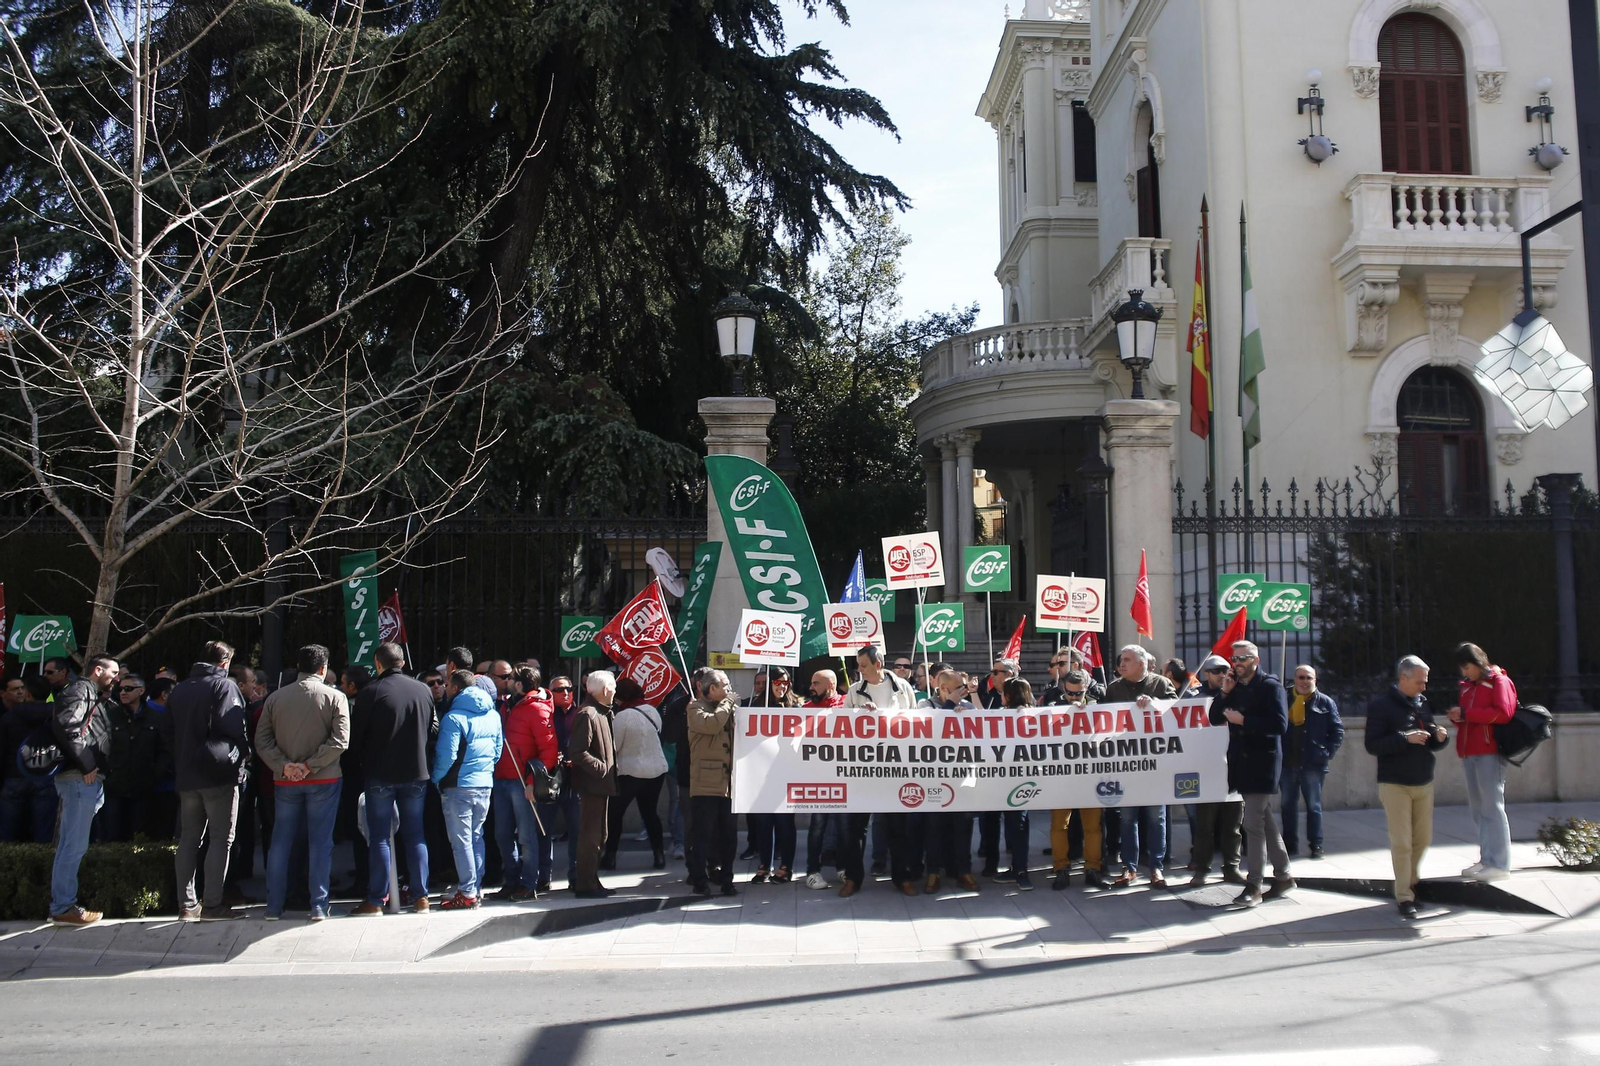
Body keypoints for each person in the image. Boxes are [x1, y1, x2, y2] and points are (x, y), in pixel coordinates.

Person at [257, 644, 350, 921]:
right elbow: (340, 740)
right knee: (320, 843)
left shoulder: (275, 698)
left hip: (285, 780)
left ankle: (273, 906)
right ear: (323, 668)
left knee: (280, 842)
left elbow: (262, 740)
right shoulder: (335, 697)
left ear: (299, 667)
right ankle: (319, 905)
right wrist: (311, 765)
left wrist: (284, 765)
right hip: (325, 778)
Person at [349, 642, 438, 916]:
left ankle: (376, 899)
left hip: (380, 773)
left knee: (379, 837)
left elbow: (357, 736)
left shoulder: (371, 692)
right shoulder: (422, 689)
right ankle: (421, 897)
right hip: (416, 772)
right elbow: (434, 727)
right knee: (415, 835)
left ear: (378, 664)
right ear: (401, 662)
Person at [163, 641, 249, 921]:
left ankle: (186, 905)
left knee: (188, 839)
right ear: (224, 663)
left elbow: (167, 732)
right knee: (220, 839)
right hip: (218, 774)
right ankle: (212, 904)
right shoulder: (224, 686)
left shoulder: (180, 689)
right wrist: (241, 756)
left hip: (187, 775)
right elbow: (234, 727)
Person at [1366, 655, 1450, 919]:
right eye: (1419, 682)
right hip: (1394, 783)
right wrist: (1405, 738)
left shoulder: (1422, 703)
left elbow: (1429, 741)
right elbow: (1373, 745)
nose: (1423, 687)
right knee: (1402, 842)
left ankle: (1410, 883)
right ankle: (1404, 896)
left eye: (1425, 682)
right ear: (1403, 678)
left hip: (1423, 779)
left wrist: (1439, 738)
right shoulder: (1381, 706)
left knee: (1423, 840)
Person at [1214, 640, 1293, 908]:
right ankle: (1283, 876)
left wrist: (1244, 721)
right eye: (1234, 659)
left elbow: (1280, 725)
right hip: (1241, 762)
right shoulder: (1234, 687)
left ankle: (1254, 885)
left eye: (1243, 658)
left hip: (1263, 762)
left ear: (1255, 660)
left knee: (1252, 824)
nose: (1237, 663)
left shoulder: (1270, 686)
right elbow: (1214, 717)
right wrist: (1224, 693)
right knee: (1265, 820)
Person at [49, 654, 119, 926]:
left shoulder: (88, 692)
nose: (116, 677)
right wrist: (87, 764)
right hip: (81, 777)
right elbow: (69, 727)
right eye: (112, 672)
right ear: (97, 670)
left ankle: (62, 905)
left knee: (70, 845)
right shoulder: (81, 690)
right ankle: (64, 906)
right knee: (73, 846)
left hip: (82, 777)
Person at [846, 645, 921, 895]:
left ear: (878, 664)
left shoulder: (903, 687)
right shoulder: (856, 691)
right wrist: (859, 715)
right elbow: (842, 726)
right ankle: (853, 878)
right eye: (858, 665)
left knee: (897, 827)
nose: (860, 670)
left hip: (895, 768)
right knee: (855, 827)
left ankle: (902, 877)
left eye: (864, 665)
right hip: (863, 769)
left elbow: (915, 722)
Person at [1102, 645, 1178, 888]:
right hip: (1126, 765)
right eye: (1121, 660)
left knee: (1156, 818)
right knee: (1127, 818)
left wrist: (1156, 703)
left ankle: (1156, 868)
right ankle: (1129, 868)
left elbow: (1180, 713)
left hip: (1156, 765)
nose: (1121, 664)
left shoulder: (1161, 685)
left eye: (1127, 660)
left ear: (1142, 663)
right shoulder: (1113, 688)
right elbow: (1100, 718)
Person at [430, 667, 504, 909]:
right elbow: (497, 751)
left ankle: (468, 891)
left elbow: (446, 756)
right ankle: (475, 888)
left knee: (461, 841)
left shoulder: (453, 718)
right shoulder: (493, 714)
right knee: (476, 837)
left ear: (454, 688)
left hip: (458, 786)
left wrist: (436, 779)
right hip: (484, 783)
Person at [1444, 642, 1517, 882]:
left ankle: (1499, 863)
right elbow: (1469, 716)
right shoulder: (1467, 687)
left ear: (1477, 662)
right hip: (1470, 750)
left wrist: (1467, 715)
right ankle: (1487, 858)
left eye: (1467, 667)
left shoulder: (1498, 681)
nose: (1464, 673)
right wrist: (1458, 717)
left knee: (1492, 806)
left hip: (1489, 751)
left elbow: (1504, 713)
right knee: (1479, 808)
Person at [488, 664, 557, 901]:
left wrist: (531, 783)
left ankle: (529, 883)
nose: (505, 680)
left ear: (519, 684)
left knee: (527, 837)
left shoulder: (537, 709)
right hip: (502, 779)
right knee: (502, 835)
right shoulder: (507, 705)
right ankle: (512, 881)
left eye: (510, 678)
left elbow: (548, 750)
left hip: (520, 782)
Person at [1041, 670, 1109, 890]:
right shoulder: (1055, 705)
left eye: (1078, 693)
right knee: (1059, 825)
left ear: (1086, 689)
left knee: (1093, 827)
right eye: (1069, 693)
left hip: (1090, 775)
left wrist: (1088, 711)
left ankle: (1093, 868)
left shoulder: (1098, 706)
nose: (1073, 697)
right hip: (1061, 776)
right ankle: (1061, 868)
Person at [918, 669, 981, 894]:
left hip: (962, 777)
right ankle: (933, 872)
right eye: (959, 688)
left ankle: (963, 871)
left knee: (963, 827)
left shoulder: (968, 706)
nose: (964, 691)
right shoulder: (926, 705)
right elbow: (928, 729)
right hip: (934, 778)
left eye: (965, 687)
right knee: (933, 827)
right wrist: (948, 710)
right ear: (943, 689)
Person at [603, 676, 670, 873]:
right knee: (650, 814)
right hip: (656, 771)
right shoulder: (652, 711)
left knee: (615, 815)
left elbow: (615, 747)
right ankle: (659, 856)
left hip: (630, 773)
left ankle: (610, 857)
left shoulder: (622, 717)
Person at [1188, 655, 1245, 887]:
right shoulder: (1194, 699)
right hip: (1206, 769)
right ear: (1206, 674)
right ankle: (1202, 868)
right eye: (1216, 671)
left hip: (1233, 768)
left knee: (1233, 825)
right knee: (1204, 826)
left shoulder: (1239, 696)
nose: (1222, 675)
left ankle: (1231, 867)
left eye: (1225, 671)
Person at [1281, 664, 1343, 860]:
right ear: (1295, 679)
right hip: (1287, 764)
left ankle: (1316, 845)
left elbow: (1337, 731)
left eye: (1309, 678)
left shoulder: (1325, 702)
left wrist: (1326, 753)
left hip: (1313, 764)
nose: (1305, 682)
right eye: (1301, 677)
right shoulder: (1284, 699)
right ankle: (1290, 845)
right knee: (1287, 806)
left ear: (1315, 680)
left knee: (1313, 807)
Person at [686, 667, 738, 897]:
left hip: (728, 784)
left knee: (729, 836)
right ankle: (699, 880)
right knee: (702, 836)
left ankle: (727, 879)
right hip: (705, 784)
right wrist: (728, 704)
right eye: (725, 686)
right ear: (712, 688)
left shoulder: (728, 709)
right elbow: (712, 724)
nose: (729, 690)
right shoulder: (695, 708)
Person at [745, 668, 800, 883]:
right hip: (761, 774)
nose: (782, 686)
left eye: (786, 682)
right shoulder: (752, 706)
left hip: (786, 773)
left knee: (785, 822)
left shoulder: (796, 706)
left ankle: (786, 866)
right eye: (777, 681)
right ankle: (764, 864)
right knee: (764, 822)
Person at [98, 672, 166, 842]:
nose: (123, 693)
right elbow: (100, 747)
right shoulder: (111, 717)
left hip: (144, 785)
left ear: (141, 691)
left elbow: (165, 751)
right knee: (112, 835)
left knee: (139, 835)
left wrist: (155, 775)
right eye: (120, 689)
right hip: (115, 785)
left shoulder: (156, 718)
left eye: (128, 689)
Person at [568, 670, 618, 898]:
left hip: (601, 785)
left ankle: (592, 879)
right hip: (592, 785)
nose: (615, 691)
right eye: (613, 687)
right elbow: (578, 751)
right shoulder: (588, 714)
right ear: (606, 690)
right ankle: (585, 883)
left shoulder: (602, 712)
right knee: (590, 836)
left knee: (600, 835)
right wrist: (601, 768)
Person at [802, 669, 848, 891]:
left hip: (844, 776)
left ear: (830, 685)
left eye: (816, 683)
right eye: (812, 683)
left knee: (843, 826)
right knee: (818, 826)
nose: (811, 687)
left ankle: (843, 868)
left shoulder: (847, 704)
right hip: (817, 777)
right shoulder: (806, 709)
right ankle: (812, 872)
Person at [993, 677, 1038, 890]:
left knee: (1016, 825)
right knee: (1018, 825)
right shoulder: (1038, 715)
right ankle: (1019, 869)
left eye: (1002, 693)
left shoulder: (1016, 716)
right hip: (1022, 779)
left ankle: (1020, 871)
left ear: (1008, 696)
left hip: (1010, 780)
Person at [1, 676, 58, 842]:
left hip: (14, 777)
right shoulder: (57, 716)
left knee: (7, 831)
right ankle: (42, 864)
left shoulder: (9, 717)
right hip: (46, 776)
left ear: (28, 694)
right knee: (44, 831)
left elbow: (2, 751)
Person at [549, 674, 582, 885]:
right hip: (550, 777)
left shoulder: (579, 713)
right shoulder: (546, 713)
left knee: (577, 830)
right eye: (560, 690)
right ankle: (543, 876)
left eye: (569, 689)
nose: (566, 693)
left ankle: (576, 875)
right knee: (543, 830)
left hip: (575, 778)